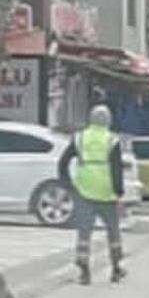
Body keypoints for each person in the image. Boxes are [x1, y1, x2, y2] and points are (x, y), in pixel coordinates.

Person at [57, 105, 126, 285]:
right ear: (108, 121)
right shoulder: (112, 140)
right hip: (107, 192)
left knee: (84, 233)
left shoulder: (80, 138)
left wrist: (68, 184)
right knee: (113, 231)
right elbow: (117, 169)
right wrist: (119, 192)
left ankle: (84, 271)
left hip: (84, 191)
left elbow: (63, 161)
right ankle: (116, 268)